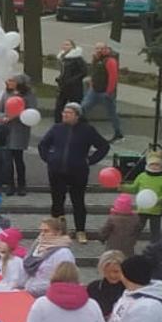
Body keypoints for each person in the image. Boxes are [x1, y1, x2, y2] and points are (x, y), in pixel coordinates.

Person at [37, 102, 111, 240]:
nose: (64, 115)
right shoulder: (57, 128)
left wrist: (90, 160)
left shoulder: (87, 130)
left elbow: (103, 146)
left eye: (69, 113)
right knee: (57, 202)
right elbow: (43, 145)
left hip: (78, 172)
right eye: (64, 112)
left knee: (78, 202)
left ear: (77, 116)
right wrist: (49, 158)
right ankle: (57, 230)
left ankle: (80, 231)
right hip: (56, 171)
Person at [124, 152, 162, 242]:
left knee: (155, 230)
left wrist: (159, 200)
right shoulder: (142, 176)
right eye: (152, 164)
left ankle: (155, 247)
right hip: (142, 209)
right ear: (147, 164)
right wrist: (122, 187)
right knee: (137, 227)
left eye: (157, 164)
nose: (154, 166)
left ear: (161, 166)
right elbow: (134, 188)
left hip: (156, 209)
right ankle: (130, 242)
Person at [0, 75, 37, 193]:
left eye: (12, 80)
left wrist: (16, 116)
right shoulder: (6, 93)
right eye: (8, 80)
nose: (8, 82)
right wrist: (3, 117)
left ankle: (22, 184)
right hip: (6, 130)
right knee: (7, 159)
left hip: (20, 129)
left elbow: (32, 110)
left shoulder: (28, 95)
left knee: (18, 158)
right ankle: (10, 184)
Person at [83, 42, 124, 140]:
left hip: (105, 92)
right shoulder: (96, 59)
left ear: (106, 49)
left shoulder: (110, 61)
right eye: (97, 48)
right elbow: (94, 73)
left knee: (111, 113)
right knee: (83, 108)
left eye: (101, 48)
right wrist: (92, 84)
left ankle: (118, 132)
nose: (99, 50)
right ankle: (78, 128)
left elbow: (113, 77)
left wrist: (109, 92)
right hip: (94, 90)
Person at [55, 42, 88, 123]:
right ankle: (58, 123)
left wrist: (72, 80)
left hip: (74, 87)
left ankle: (79, 123)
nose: (65, 46)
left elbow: (84, 72)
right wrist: (59, 78)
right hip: (63, 86)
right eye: (64, 44)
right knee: (59, 105)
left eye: (67, 44)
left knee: (75, 106)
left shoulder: (77, 58)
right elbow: (63, 72)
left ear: (73, 47)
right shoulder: (62, 58)